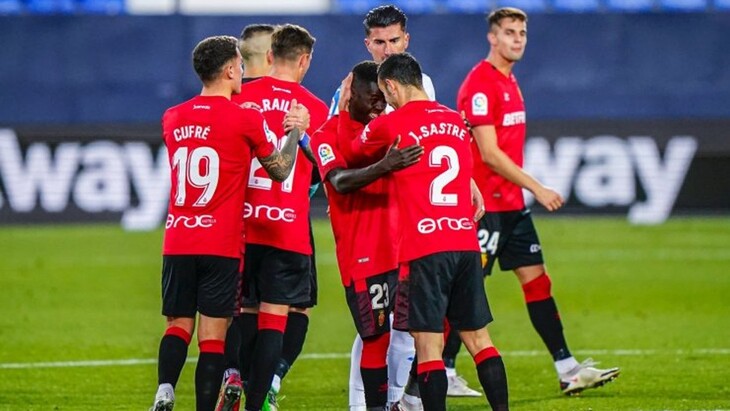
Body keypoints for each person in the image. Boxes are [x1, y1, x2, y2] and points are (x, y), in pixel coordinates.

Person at [456, 7, 620, 396]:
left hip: (512, 207)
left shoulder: (509, 81)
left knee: (537, 280)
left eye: (522, 33)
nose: (517, 39)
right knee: (464, 290)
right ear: (492, 37)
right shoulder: (480, 84)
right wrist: (538, 187)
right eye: (509, 32)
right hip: (484, 208)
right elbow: (489, 154)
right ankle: (438, 371)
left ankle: (567, 368)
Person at [149, 34, 305, 411]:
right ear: (231, 70)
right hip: (220, 243)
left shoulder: (173, 117)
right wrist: (295, 132)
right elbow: (280, 170)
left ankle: (165, 390)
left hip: (178, 239)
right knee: (213, 338)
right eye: (240, 64)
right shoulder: (245, 118)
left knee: (177, 324)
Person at [353, 51, 509, 411]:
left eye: (384, 93)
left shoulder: (390, 124)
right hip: (465, 242)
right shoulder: (455, 120)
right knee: (479, 340)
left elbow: (357, 150)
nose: (385, 100)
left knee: (428, 346)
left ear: (391, 86)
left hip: (424, 247)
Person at [312, 61, 424, 411]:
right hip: (364, 254)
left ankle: (406, 399)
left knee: (431, 327)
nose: (379, 104)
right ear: (351, 94)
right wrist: (385, 165)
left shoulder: (388, 127)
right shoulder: (326, 135)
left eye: (383, 98)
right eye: (372, 97)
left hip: (404, 248)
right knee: (375, 339)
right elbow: (339, 182)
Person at [230, 23, 329, 411]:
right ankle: (258, 400)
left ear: (270, 56)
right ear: (305, 60)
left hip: (242, 225)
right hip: (287, 227)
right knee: (276, 318)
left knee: (244, 312)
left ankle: (236, 379)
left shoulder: (241, 97)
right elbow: (327, 168)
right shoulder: (314, 109)